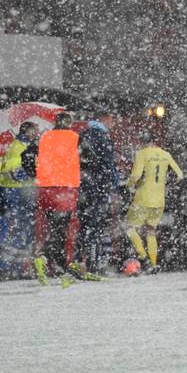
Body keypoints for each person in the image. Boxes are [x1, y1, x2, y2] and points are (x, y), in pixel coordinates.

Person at [125, 129, 183, 274]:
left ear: (141, 142)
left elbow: (136, 175)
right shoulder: (165, 154)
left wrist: (130, 185)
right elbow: (180, 174)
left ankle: (143, 258)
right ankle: (154, 263)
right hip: (159, 200)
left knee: (129, 228)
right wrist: (166, 184)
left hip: (143, 198)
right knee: (151, 231)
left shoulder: (141, 154)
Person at [33, 112, 80, 285]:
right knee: (60, 230)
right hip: (65, 188)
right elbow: (87, 159)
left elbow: (28, 157)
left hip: (45, 188)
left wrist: (37, 173)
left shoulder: (44, 137)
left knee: (55, 227)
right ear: (69, 123)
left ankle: (58, 266)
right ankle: (45, 259)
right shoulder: (75, 137)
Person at [74, 119, 119, 278]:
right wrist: (114, 185)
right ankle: (94, 264)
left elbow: (77, 162)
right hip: (100, 187)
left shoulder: (80, 137)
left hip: (83, 188)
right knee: (97, 227)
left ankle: (78, 262)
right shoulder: (104, 139)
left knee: (83, 226)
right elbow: (110, 167)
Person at [0, 121, 39, 279]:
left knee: (21, 230)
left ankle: (15, 266)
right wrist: (33, 173)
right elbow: (14, 171)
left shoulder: (19, 145)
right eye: (33, 131)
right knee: (19, 230)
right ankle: (11, 268)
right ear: (28, 132)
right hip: (17, 192)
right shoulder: (19, 147)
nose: (35, 133)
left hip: (18, 192)